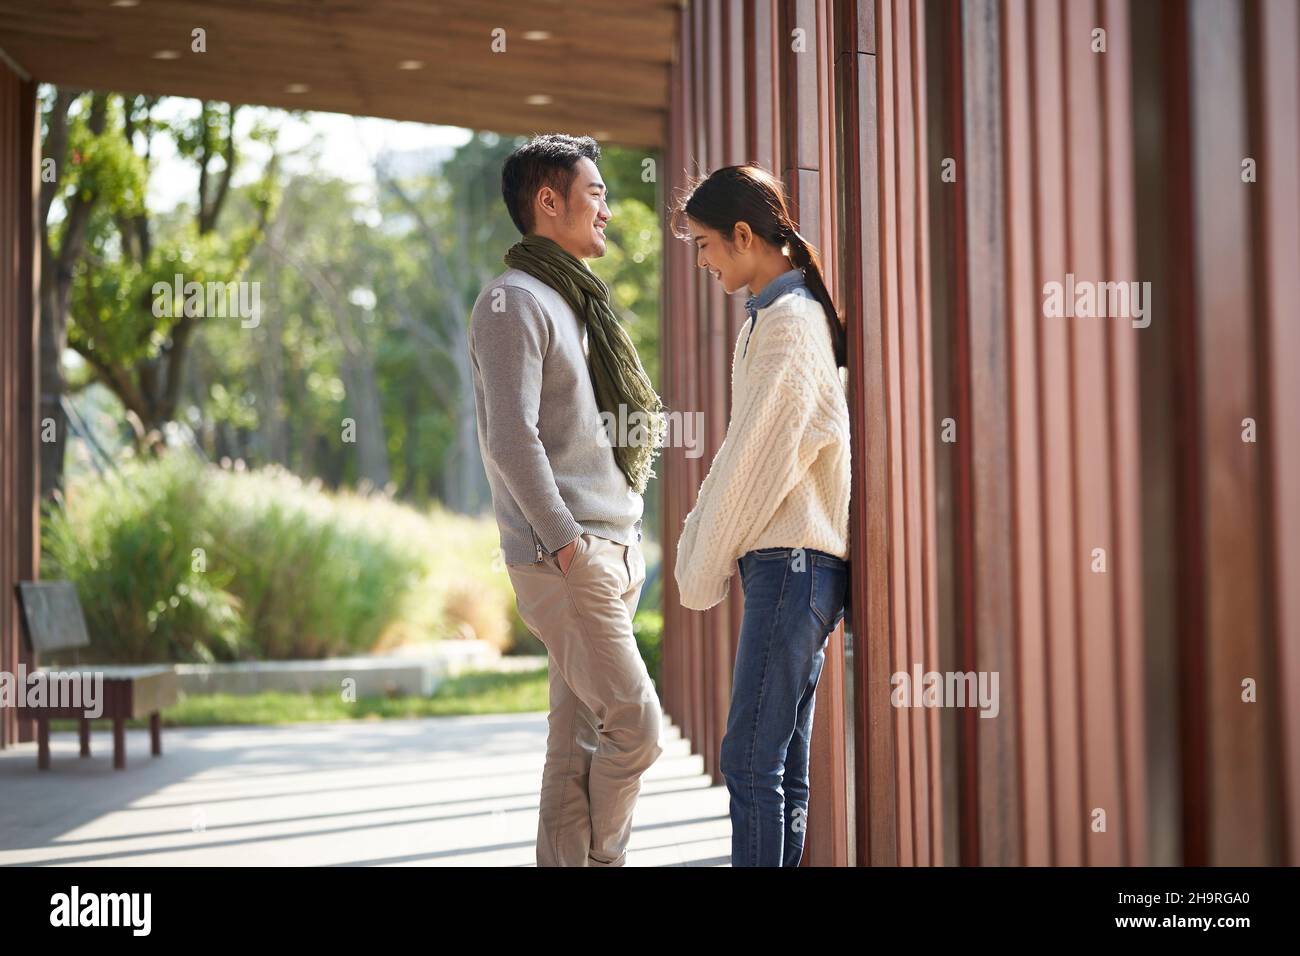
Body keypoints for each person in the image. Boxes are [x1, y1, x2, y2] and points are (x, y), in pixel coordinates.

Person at [468, 133, 667, 866]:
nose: (609, 209)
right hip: (572, 557)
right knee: (636, 727)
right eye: (596, 193)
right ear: (548, 203)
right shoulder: (511, 301)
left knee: (576, 743)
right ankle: (605, 858)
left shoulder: (575, 301)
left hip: (612, 548)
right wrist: (568, 545)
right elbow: (510, 438)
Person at [672, 164, 851, 867]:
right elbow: (751, 452)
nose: (703, 261)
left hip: (792, 567)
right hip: (794, 569)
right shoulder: (781, 318)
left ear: (744, 236)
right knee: (776, 764)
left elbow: (752, 461)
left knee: (750, 762)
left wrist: (697, 562)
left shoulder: (789, 324)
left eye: (706, 245)